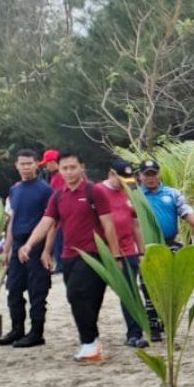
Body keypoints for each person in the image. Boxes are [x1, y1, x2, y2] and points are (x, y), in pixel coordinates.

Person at [19, 152, 121, 363]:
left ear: (81, 167)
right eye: (65, 168)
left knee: (79, 295)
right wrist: (29, 244)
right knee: (80, 300)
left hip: (94, 255)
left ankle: (90, 344)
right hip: (68, 255)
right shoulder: (58, 196)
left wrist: (115, 256)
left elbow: (108, 225)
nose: (69, 172)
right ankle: (91, 343)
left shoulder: (95, 192)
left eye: (73, 167)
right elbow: (46, 222)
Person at [137, 159, 194, 340]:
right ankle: (152, 325)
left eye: (154, 174)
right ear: (140, 176)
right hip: (146, 247)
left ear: (159, 174)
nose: (151, 178)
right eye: (147, 175)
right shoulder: (136, 196)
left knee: (171, 283)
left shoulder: (172, 194)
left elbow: (186, 211)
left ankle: (167, 319)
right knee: (147, 285)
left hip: (169, 243)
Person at [0, 150, 55, 347]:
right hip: (18, 245)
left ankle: (36, 332)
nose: (26, 167)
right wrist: (7, 249)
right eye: (22, 163)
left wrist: (47, 250)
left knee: (37, 292)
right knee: (13, 290)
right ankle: (16, 330)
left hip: (37, 245)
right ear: (16, 165)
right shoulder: (15, 190)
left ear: (37, 164)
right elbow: (13, 220)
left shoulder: (45, 190)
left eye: (29, 163)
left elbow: (52, 222)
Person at [97, 160, 148, 348]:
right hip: (103, 251)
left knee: (131, 292)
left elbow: (136, 224)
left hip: (128, 250)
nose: (125, 182)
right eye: (121, 179)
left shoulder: (130, 191)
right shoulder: (98, 192)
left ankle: (135, 333)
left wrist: (142, 251)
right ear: (111, 174)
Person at [39, 149, 66, 272]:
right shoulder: (56, 176)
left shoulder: (59, 176)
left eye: (47, 163)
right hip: (59, 216)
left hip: (60, 217)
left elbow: (58, 196)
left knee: (59, 241)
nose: (46, 166)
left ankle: (61, 265)